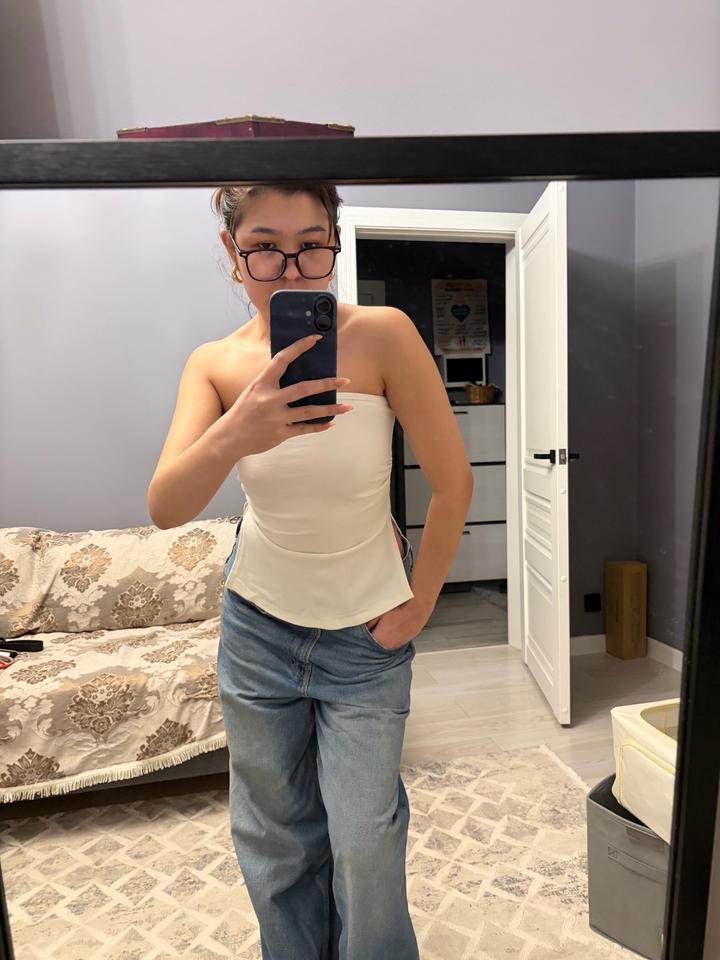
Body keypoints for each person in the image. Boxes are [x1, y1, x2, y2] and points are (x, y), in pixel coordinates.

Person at [149, 181, 473, 960]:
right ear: (233, 254)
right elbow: (166, 506)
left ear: (335, 241)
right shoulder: (215, 364)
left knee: (364, 835)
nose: (291, 269)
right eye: (265, 246)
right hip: (258, 628)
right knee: (275, 835)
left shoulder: (384, 335)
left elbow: (453, 480)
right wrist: (239, 429)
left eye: (311, 245)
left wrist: (421, 602)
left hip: (366, 632)